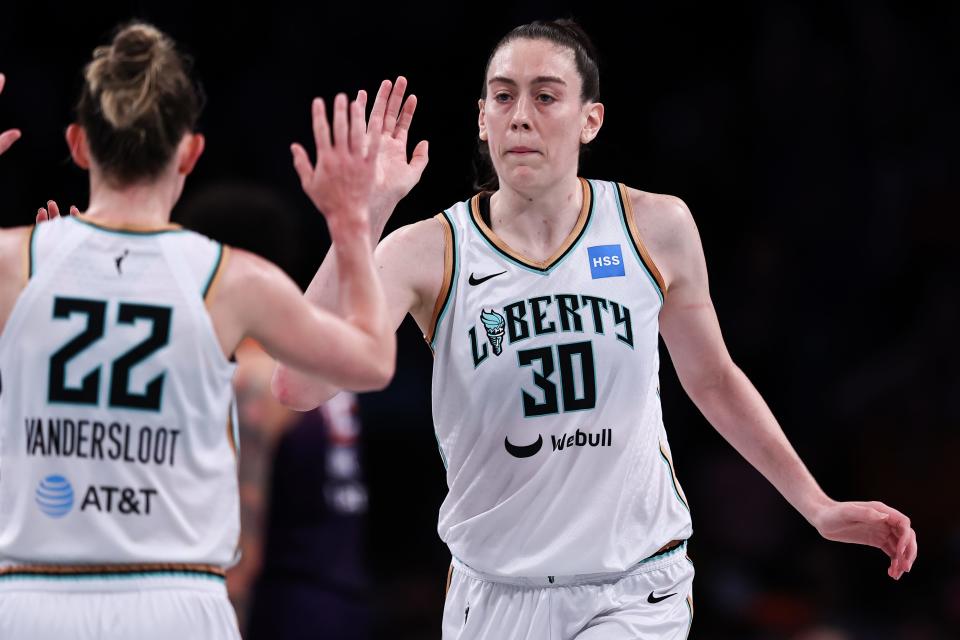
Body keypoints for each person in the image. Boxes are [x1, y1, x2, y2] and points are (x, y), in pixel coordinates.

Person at [272, 18, 918, 640]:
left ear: (591, 120)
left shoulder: (653, 227)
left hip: (635, 584)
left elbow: (714, 378)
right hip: (495, 591)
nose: (520, 114)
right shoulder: (428, 251)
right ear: (481, 119)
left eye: (546, 96)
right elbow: (298, 386)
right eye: (503, 97)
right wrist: (363, 218)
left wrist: (817, 505)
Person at [0, 21, 394, 640]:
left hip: (32, 597)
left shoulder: (13, 263)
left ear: (78, 145)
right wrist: (350, 223)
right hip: (175, 601)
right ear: (190, 152)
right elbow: (373, 359)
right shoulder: (230, 278)